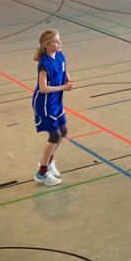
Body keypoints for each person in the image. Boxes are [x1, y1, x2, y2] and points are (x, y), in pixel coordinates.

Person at [32, 30, 74, 187]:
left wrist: (68, 78)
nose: (59, 43)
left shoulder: (60, 55)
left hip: (56, 102)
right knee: (55, 135)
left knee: (63, 130)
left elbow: (63, 69)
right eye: (55, 41)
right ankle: (42, 173)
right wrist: (64, 87)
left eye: (59, 40)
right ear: (46, 45)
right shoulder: (44, 64)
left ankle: (48, 162)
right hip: (45, 104)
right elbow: (43, 89)